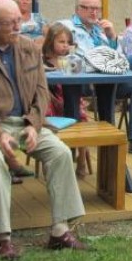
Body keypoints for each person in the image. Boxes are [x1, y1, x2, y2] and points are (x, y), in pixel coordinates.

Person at [0, 0, 89, 259]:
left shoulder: (28, 47)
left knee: (60, 153)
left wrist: (34, 124)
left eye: (18, 21)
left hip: (26, 123)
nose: (18, 27)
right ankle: (2, 239)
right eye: (10, 23)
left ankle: (60, 231)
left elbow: (41, 92)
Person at [61, 0, 132, 157]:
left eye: (97, 8)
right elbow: (65, 56)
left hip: (107, 80)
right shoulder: (66, 27)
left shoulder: (100, 31)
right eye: (88, 8)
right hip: (83, 80)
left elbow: (119, 58)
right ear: (77, 9)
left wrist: (112, 36)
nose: (94, 12)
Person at [42, 23, 91, 178]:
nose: (65, 45)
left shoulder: (72, 60)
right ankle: (53, 159)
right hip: (50, 100)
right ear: (51, 41)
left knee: (80, 117)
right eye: (61, 42)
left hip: (70, 98)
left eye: (68, 42)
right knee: (50, 112)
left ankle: (81, 159)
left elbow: (80, 82)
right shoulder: (43, 60)